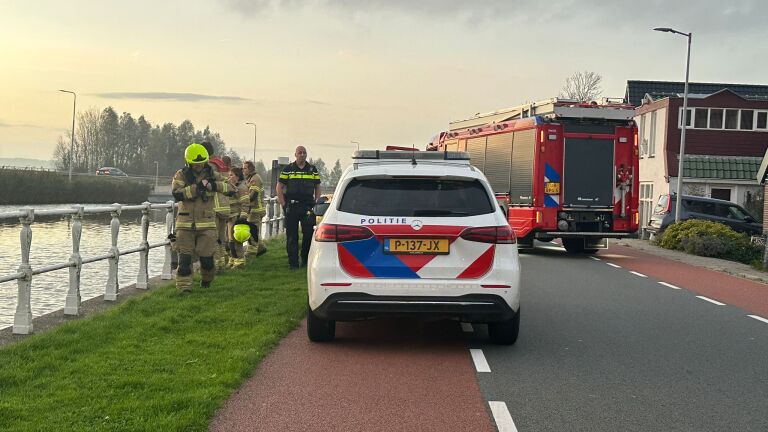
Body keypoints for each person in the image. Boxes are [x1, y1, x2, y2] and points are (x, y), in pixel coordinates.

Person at [171, 143, 230, 292]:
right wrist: (197, 189)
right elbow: (177, 194)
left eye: (201, 163)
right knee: (184, 262)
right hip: (185, 225)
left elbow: (231, 188)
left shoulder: (213, 175)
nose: (198, 167)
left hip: (207, 224)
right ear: (188, 162)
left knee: (207, 261)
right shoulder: (181, 175)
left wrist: (213, 186)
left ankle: (206, 281)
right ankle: (184, 289)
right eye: (195, 164)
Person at [277, 146, 321, 270]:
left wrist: (317, 202)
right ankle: (293, 263)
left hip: (308, 206)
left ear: (306, 155)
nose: (302, 155)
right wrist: (283, 204)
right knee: (292, 236)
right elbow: (279, 187)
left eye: (304, 153)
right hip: (292, 206)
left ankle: (306, 261)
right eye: (300, 153)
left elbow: (317, 186)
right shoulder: (288, 169)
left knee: (308, 235)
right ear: (295, 154)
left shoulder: (312, 169)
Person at [201, 141, 233, 267]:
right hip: (225, 204)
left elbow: (206, 184)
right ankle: (223, 258)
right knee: (221, 235)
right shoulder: (221, 163)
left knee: (212, 236)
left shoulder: (210, 165)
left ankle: (217, 262)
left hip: (214, 204)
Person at [227, 167, 251, 268]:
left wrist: (242, 218)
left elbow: (245, 204)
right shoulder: (232, 187)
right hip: (230, 217)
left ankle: (240, 261)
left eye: (231, 175)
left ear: (237, 177)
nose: (229, 177)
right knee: (231, 241)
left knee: (236, 241)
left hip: (236, 217)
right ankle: (233, 259)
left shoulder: (241, 188)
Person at [243, 161, 268, 257]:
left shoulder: (255, 179)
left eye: (245, 168)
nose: (243, 170)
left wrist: (243, 201)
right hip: (253, 209)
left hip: (256, 209)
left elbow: (253, 195)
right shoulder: (250, 178)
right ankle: (261, 248)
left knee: (252, 231)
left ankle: (251, 253)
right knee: (255, 230)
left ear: (250, 169)